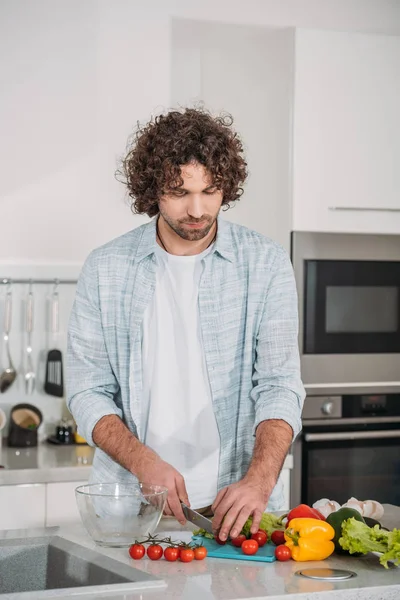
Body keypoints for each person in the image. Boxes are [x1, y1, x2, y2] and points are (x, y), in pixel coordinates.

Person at [67, 107, 305, 542]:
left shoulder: (265, 263)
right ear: (151, 189)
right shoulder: (106, 268)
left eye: (210, 190)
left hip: (240, 510)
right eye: (179, 192)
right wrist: (142, 461)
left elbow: (280, 384)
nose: (197, 209)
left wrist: (260, 480)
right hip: (130, 509)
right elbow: (87, 390)